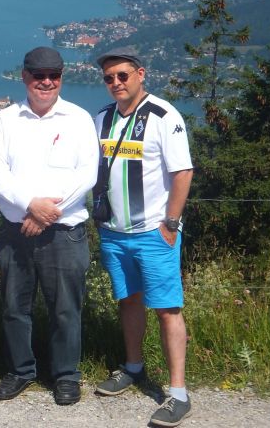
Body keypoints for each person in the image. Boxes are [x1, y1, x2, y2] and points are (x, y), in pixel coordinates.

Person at [0, 46, 99, 406]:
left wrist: (47, 212)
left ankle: (66, 375)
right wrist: (30, 206)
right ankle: (21, 370)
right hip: (16, 231)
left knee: (65, 309)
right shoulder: (5, 120)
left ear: (62, 77)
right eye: (39, 75)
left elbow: (88, 173)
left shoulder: (79, 119)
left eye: (54, 75)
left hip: (64, 232)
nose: (46, 82)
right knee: (14, 307)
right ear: (25, 77)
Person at [92, 47, 194, 427]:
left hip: (153, 232)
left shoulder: (165, 116)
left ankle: (178, 394)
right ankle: (133, 367)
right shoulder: (101, 118)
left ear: (140, 74)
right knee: (129, 301)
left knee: (167, 309)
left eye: (123, 75)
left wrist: (171, 223)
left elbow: (183, 172)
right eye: (109, 78)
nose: (116, 83)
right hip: (114, 232)